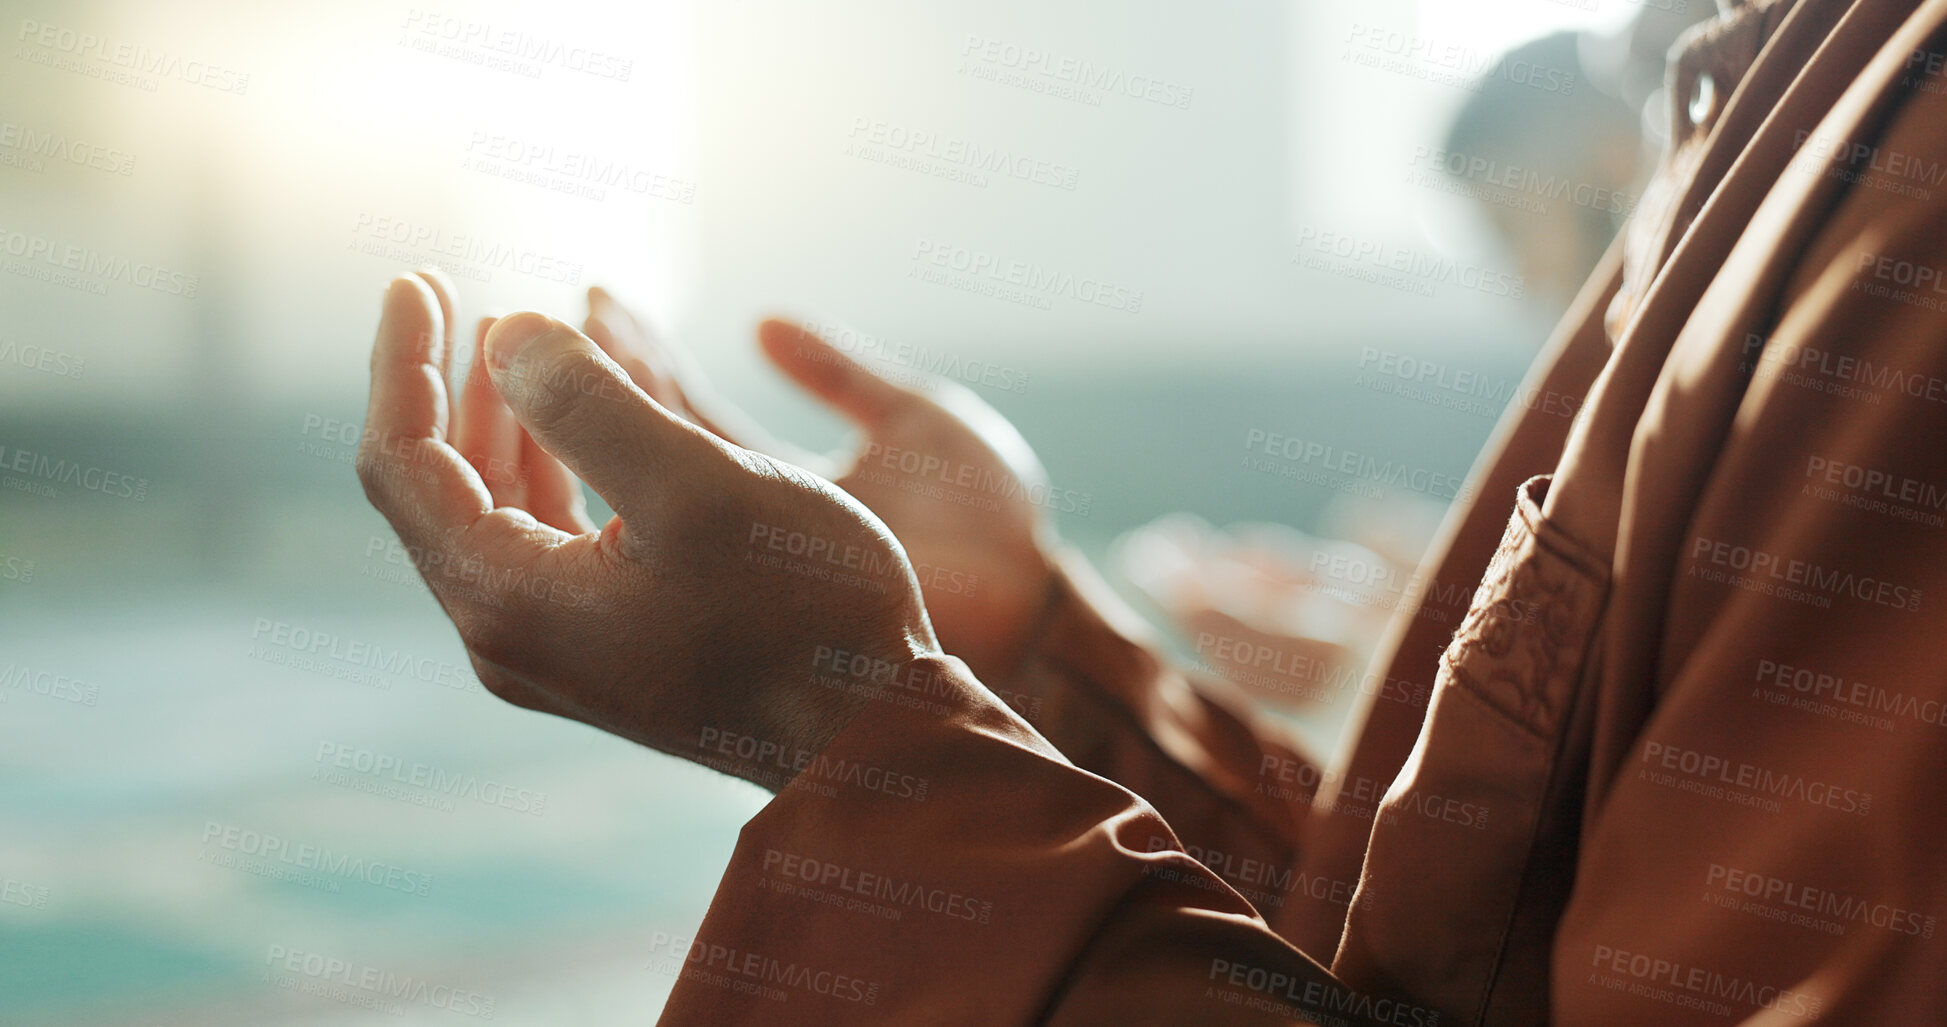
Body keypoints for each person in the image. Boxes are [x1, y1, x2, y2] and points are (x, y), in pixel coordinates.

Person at [355, 0, 1947, 1022]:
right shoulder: (1791, 97)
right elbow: (1449, 977)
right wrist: (1041, 671)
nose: (1545, 275)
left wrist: (842, 724)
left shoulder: (1904, 186)